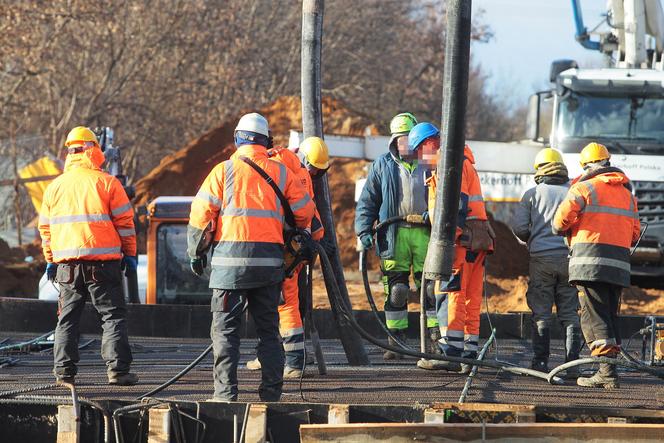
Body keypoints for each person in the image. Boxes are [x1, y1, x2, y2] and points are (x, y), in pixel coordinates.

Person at [187, 112, 314, 401]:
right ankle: (271, 395)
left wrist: (196, 254)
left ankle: (224, 395)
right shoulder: (282, 172)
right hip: (269, 267)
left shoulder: (222, 171)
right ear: (266, 140)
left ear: (237, 140)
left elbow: (200, 216)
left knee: (225, 333)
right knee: (269, 331)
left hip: (228, 270)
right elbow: (305, 213)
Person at [39, 126, 138, 386]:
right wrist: (129, 254)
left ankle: (64, 373)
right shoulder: (107, 182)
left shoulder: (54, 187)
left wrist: (50, 259)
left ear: (70, 151)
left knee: (68, 318)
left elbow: (46, 229)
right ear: (93, 149)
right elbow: (125, 223)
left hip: (67, 267)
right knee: (112, 316)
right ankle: (118, 371)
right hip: (104, 264)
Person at [553, 142, 640, 389]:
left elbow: (559, 223)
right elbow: (634, 234)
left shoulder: (582, 188)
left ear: (586, 166)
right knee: (610, 316)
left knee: (594, 317)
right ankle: (608, 369)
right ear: (607, 162)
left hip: (589, 263)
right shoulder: (628, 195)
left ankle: (606, 373)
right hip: (619, 265)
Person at [354, 113, 439, 359]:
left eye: (407, 138)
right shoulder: (382, 165)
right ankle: (396, 339)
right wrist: (364, 229)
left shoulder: (430, 163)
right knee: (397, 290)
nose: (403, 143)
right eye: (398, 138)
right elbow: (368, 200)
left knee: (431, 289)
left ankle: (434, 340)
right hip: (394, 235)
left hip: (425, 233)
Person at [245, 136, 329, 378]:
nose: (313, 174)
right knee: (279, 302)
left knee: (282, 302)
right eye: (314, 169)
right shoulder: (295, 170)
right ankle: (277, 356)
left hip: (281, 246)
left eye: (318, 172)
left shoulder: (281, 163)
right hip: (291, 246)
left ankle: (292, 361)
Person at [420, 124, 494, 372]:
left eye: (421, 148)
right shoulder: (464, 162)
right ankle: (469, 353)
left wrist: (450, 241)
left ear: (431, 142)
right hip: (478, 239)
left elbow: (456, 205)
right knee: (470, 298)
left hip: (461, 241)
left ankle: (451, 354)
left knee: (451, 294)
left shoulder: (448, 163)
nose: (420, 154)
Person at [511, 148, 581, 373]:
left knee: (541, 313)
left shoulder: (532, 194)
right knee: (570, 314)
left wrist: (533, 238)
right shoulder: (574, 192)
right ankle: (572, 366)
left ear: (539, 169)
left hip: (541, 260)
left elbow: (520, 228)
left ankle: (540, 362)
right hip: (570, 260)